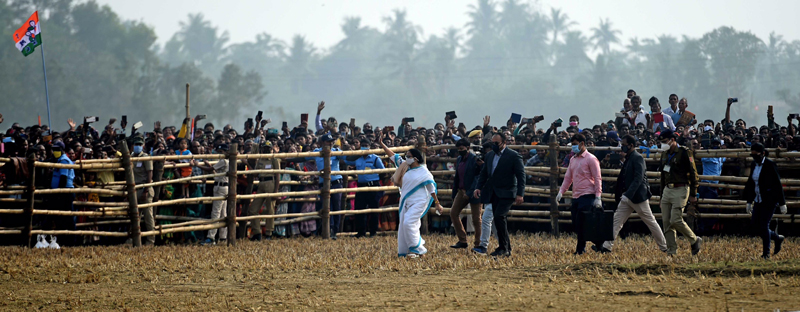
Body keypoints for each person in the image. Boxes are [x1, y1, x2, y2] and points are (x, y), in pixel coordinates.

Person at [602, 135, 667, 252]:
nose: (622, 147)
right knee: (617, 220)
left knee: (650, 222)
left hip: (637, 197)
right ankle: (606, 246)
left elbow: (638, 178)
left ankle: (664, 247)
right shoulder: (629, 158)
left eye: (624, 145)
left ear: (631, 145)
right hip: (629, 197)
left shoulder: (637, 158)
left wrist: (628, 194)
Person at [378, 141, 443, 258]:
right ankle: (411, 250)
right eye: (406, 156)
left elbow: (431, 189)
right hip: (406, 201)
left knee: (408, 222)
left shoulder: (424, 172)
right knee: (406, 224)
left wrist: (437, 204)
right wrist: (381, 144)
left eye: (408, 156)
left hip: (420, 202)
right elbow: (392, 156)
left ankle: (418, 248)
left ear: (416, 159)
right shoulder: (405, 167)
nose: (406, 158)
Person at [473, 133, 525, 257]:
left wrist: (520, 193)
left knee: (499, 216)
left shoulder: (513, 156)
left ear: (504, 142)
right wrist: (478, 187)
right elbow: (484, 173)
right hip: (494, 192)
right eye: (493, 143)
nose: (494, 145)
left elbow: (521, 176)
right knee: (499, 219)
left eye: (496, 143)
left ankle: (503, 248)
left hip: (507, 192)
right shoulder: (490, 155)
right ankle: (506, 248)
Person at [556, 133, 604, 254]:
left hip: (588, 195)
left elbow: (597, 178)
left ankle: (581, 249)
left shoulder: (591, 159)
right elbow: (568, 177)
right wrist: (561, 191)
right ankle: (599, 244)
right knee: (577, 223)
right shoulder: (573, 160)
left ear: (582, 144)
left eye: (575, 144)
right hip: (576, 195)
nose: (573, 147)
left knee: (583, 223)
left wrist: (598, 196)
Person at [658, 130, 702, 256]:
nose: (663, 144)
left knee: (676, 219)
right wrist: (661, 196)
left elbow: (694, 173)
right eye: (661, 142)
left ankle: (694, 240)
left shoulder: (684, 152)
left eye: (665, 141)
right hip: (667, 189)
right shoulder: (665, 154)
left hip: (681, 188)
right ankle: (671, 252)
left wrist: (693, 193)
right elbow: (663, 176)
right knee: (666, 222)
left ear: (673, 139)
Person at [743, 143, 787, 259]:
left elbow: (778, 184)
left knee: (763, 225)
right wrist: (749, 201)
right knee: (755, 225)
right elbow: (751, 183)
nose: (754, 157)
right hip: (758, 198)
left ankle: (766, 253)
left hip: (769, 199)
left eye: (756, 155)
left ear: (762, 154)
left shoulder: (770, 165)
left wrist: (782, 203)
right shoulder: (754, 164)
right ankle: (777, 238)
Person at [344, 138, 386, 238]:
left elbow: (383, 170)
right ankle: (361, 232)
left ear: (369, 147)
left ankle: (373, 232)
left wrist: (372, 174)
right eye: (363, 145)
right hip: (361, 186)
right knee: (359, 210)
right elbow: (346, 160)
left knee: (374, 210)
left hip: (373, 186)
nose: (364, 147)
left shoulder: (375, 158)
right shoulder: (357, 158)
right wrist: (348, 151)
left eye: (366, 145)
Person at [448, 139, 483, 251]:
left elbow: (477, 177)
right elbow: (457, 177)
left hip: (474, 192)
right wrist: (455, 192)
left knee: (476, 219)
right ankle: (462, 240)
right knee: (453, 213)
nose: (460, 151)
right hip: (461, 190)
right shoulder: (459, 159)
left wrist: (470, 192)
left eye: (462, 148)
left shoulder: (474, 159)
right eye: (458, 149)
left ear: (468, 148)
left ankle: (478, 244)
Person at [195, 143, 230, 245]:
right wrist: (208, 165)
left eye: (221, 152)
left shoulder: (223, 161)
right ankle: (223, 237)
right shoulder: (225, 161)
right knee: (223, 213)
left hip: (220, 187)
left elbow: (211, 170)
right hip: (223, 186)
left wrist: (199, 165)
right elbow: (216, 172)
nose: (219, 154)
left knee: (216, 212)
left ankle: (211, 237)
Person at [246, 141, 280, 241]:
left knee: (270, 209)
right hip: (261, 183)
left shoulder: (274, 159)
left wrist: (276, 191)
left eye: (268, 148)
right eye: (264, 148)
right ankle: (257, 232)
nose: (266, 150)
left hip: (271, 183)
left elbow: (278, 176)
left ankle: (269, 233)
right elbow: (256, 173)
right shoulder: (260, 159)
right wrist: (247, 163)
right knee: (253, 210)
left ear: (271, 149)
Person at [131, 136, 155, 245]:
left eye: (140, 145)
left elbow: (150, 174)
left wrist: (146, 191)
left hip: (145, 188)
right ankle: (135, 240)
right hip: (135, 188)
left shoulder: (146, 157)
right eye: (136, 145)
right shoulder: (131, 157)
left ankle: (150, 241)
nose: (138, 147)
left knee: (148, 216)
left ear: (143, 146)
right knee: (136, 215)